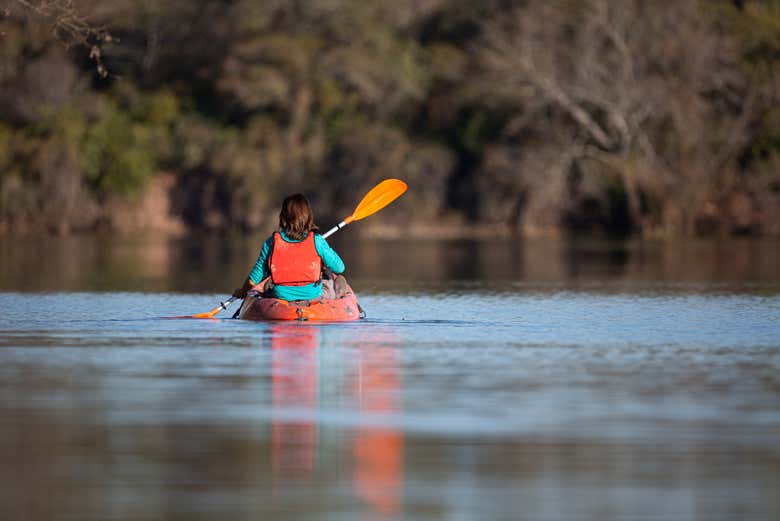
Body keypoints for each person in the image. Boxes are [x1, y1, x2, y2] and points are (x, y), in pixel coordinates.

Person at [233, 194, 346, 301]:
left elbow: (254, 279)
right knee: (337, 278)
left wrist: (242, 291)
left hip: (281, 296)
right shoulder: (317, 240)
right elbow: (339, 268)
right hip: (313, 295)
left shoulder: (271, 242)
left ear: (283, 217)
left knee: (268, 285)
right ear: (308, 216)